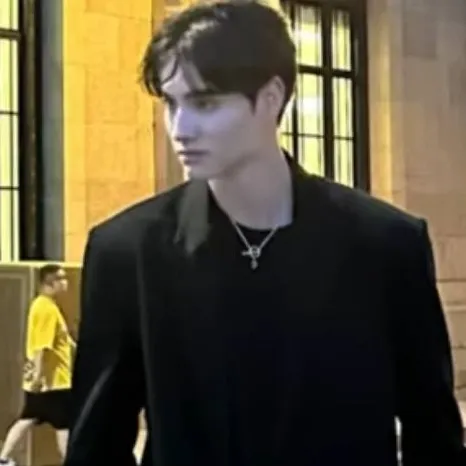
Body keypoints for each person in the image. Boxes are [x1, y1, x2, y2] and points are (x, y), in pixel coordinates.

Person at [63, 1, 466, 465]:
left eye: (205, 103)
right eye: (171, 103)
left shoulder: (386, 245)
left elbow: (433, 433)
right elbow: (96, 445)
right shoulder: (127, 251)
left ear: (272, 97)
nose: (180, 128)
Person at [0, 264, 75, 466]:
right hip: (53, 381)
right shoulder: (45, 309)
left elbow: (62, 340)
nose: (65, 282)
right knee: (63, 424)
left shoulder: (46, 306)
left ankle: (3, 458)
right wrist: (38, 376)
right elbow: (42, 346)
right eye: (61, 279)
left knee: (28, 418)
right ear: (50, 283)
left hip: (48, 381)